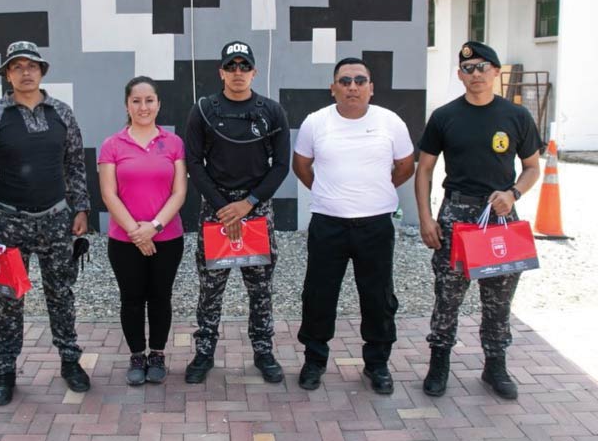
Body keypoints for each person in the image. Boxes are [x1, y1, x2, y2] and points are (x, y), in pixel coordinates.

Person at [415, 41, 541, 399]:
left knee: (499, 297)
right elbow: (424, 170)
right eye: (468, 69)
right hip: (457, 217)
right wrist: (426, 217)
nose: (475, 75)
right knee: (448, 296)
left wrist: (513, 193)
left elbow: (532, 168)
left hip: (500, 216)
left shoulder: (516, 117)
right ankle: (439, 364)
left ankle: (495, 365)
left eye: (482, 67)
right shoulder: (445, 116)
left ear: (496, 72)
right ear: (460, 75)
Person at [0, 41, 91, 404]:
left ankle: (70, 361)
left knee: (61, 294)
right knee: (9, 298)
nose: (25, 72)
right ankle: (6, 369)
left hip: (56, 219)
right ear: (7, 74)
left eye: (32, 66)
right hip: (9, 222)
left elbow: (75, 164)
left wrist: (81, 208)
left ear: (42, 71)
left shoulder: (62, 113)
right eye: (17, 66)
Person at [292, 57, 415, 393]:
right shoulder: (316, 123)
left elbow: (405, 166)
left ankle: (377, 364)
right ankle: (314, 361)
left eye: (360, 80)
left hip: (375, 225)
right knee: (319, 295)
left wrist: (377, 189)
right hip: (328, 224)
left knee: (377, 297)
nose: (352, 87)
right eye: (344, 81)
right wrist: (328, 192)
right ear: (333, 88)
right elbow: (301, 165)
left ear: (371, 88)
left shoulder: (390, 122)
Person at [184, 40, 291, 384]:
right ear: (221, 72)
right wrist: (222, 207)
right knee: (211, 286)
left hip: (256, 209)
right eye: (231, 66)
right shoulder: (203, 110)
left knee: (259, 287)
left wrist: (248, 204)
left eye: (244, 66)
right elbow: (193, 163)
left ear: (254, 72)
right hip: (216, 209)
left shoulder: (272, 111)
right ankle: (204, 352)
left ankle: (263, 350)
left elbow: (282, 165)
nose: (238, 73)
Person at [98, 76, 187, 385]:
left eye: (149, 100)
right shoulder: (112, 145)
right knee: (132, 299)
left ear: (158, 104)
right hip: (124, 240)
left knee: (160, 297)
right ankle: (137, 355)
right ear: (127, 105)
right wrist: (137, 232)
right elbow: (109, 194)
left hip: (168, 238)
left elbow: (179, 193)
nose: (143, 106)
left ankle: (158, 354)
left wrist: (154, 227)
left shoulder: (174, 143)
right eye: (136, 101)